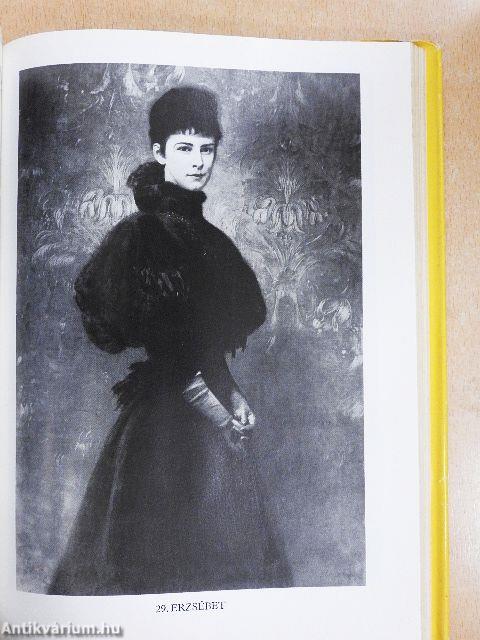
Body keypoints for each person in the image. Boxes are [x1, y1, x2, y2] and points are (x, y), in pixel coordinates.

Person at [48, 86, 292, 595]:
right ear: (159, 153)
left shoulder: (212, 240)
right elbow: (173, 352)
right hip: (163, 426)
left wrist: (235, 396)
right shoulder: (142, 235)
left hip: (211, 406)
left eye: (207, 148)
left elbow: (203, 343)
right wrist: (219, 412)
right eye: (184, 148)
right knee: (155, 556)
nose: (198, 161)